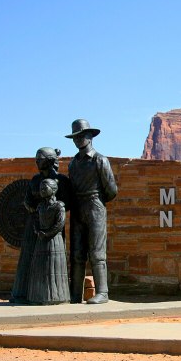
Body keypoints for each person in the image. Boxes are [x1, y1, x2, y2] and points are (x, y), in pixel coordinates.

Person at [10, 147, 71, 304]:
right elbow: (27, 200)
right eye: (36, 159)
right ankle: (22, 293)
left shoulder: (61, 180)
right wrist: (35, 209)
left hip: (51, 223)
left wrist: (50, 210)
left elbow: (67, 202)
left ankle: (50, 294)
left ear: (49, 161)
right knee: (28, 255)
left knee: (51, 261)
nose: (37, 162)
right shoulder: (35, 180)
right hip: (34, 221)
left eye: (40, 159)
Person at [66, 119, 117, 304]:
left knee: (97, 252)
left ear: (90, 136)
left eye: (81, 136)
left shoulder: (100, 160)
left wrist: (96, 202)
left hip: (95, 206)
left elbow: (111, 190)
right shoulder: (73, 164)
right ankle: (75, 294)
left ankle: (102, 292)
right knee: (77, 253)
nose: (78, 140)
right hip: (78, 208)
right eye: (75, 137)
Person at [26, 179, 70, 304]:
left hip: (54, 241)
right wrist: (37, 231)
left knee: (54, 268)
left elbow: (60, 224)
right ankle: (38, 296)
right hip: (41, 240)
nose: (42, 190)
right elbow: (35, 220)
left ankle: (57, 296)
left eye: (45, 188)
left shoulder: (59, 206)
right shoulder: (40, 206)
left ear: (54, 189)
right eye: (41, 188)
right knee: (40, 268)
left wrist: (47, 233)